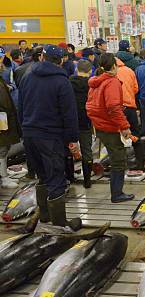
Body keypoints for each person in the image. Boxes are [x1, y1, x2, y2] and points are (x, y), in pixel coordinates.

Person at [18, 44, 81, 230]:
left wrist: (25, 130)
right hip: (50, 136)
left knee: (42, 176)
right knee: (56, 179)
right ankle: (60, 223)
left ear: (42, 57)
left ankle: (45, 217)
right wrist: (72, 140)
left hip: (30, 135)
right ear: (61, 60)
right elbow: (69, 115)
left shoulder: (27, 76)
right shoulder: (62, 82)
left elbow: (21, 107)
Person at [86, 53, 134, 203]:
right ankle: (117, 194)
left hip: (100, 125)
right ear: (114, 66)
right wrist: (124, 126)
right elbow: (113, 108)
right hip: (110, 126)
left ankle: (116, 191)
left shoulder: (96, 82)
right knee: (118, 160)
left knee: (115, 158)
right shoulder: (111, 82)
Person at [115, 56, 145, 175]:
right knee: (135, 136)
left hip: (116, 110)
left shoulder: (106, 73)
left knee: (116, 138)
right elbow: (135, 89)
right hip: (130, 108)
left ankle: (119, 166)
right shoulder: (129, 70)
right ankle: (140, 165)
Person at [69, 60, 94, 189]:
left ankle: (70, 177)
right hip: (86, 121)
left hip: (70, 121)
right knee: (87, 150)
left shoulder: (68, 83)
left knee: (68, 149)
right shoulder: (92, 85)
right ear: (90, 71)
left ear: (76, 69)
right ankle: (87, 181)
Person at [0, 61, 20, 188]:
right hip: (2, 117)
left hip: (5, 117)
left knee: (4, 148)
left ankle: (4, 174)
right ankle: (3, 178)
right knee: (2, 149)